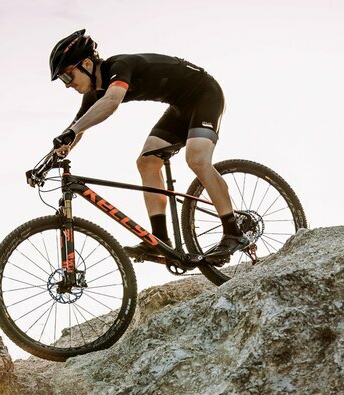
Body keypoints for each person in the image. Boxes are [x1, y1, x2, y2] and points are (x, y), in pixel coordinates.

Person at [49, 29, 249, 263]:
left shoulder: (118, 67)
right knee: (146, 162)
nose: (67, 85)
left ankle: (234, 232)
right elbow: (76, 128)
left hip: (205, 93)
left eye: (67, 76)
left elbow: (112, 102)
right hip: (180, 107)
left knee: (196, 158)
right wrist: (50, 157)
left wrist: (72, 132)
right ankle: (160, 240)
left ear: (86, 64)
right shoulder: (94, 94)